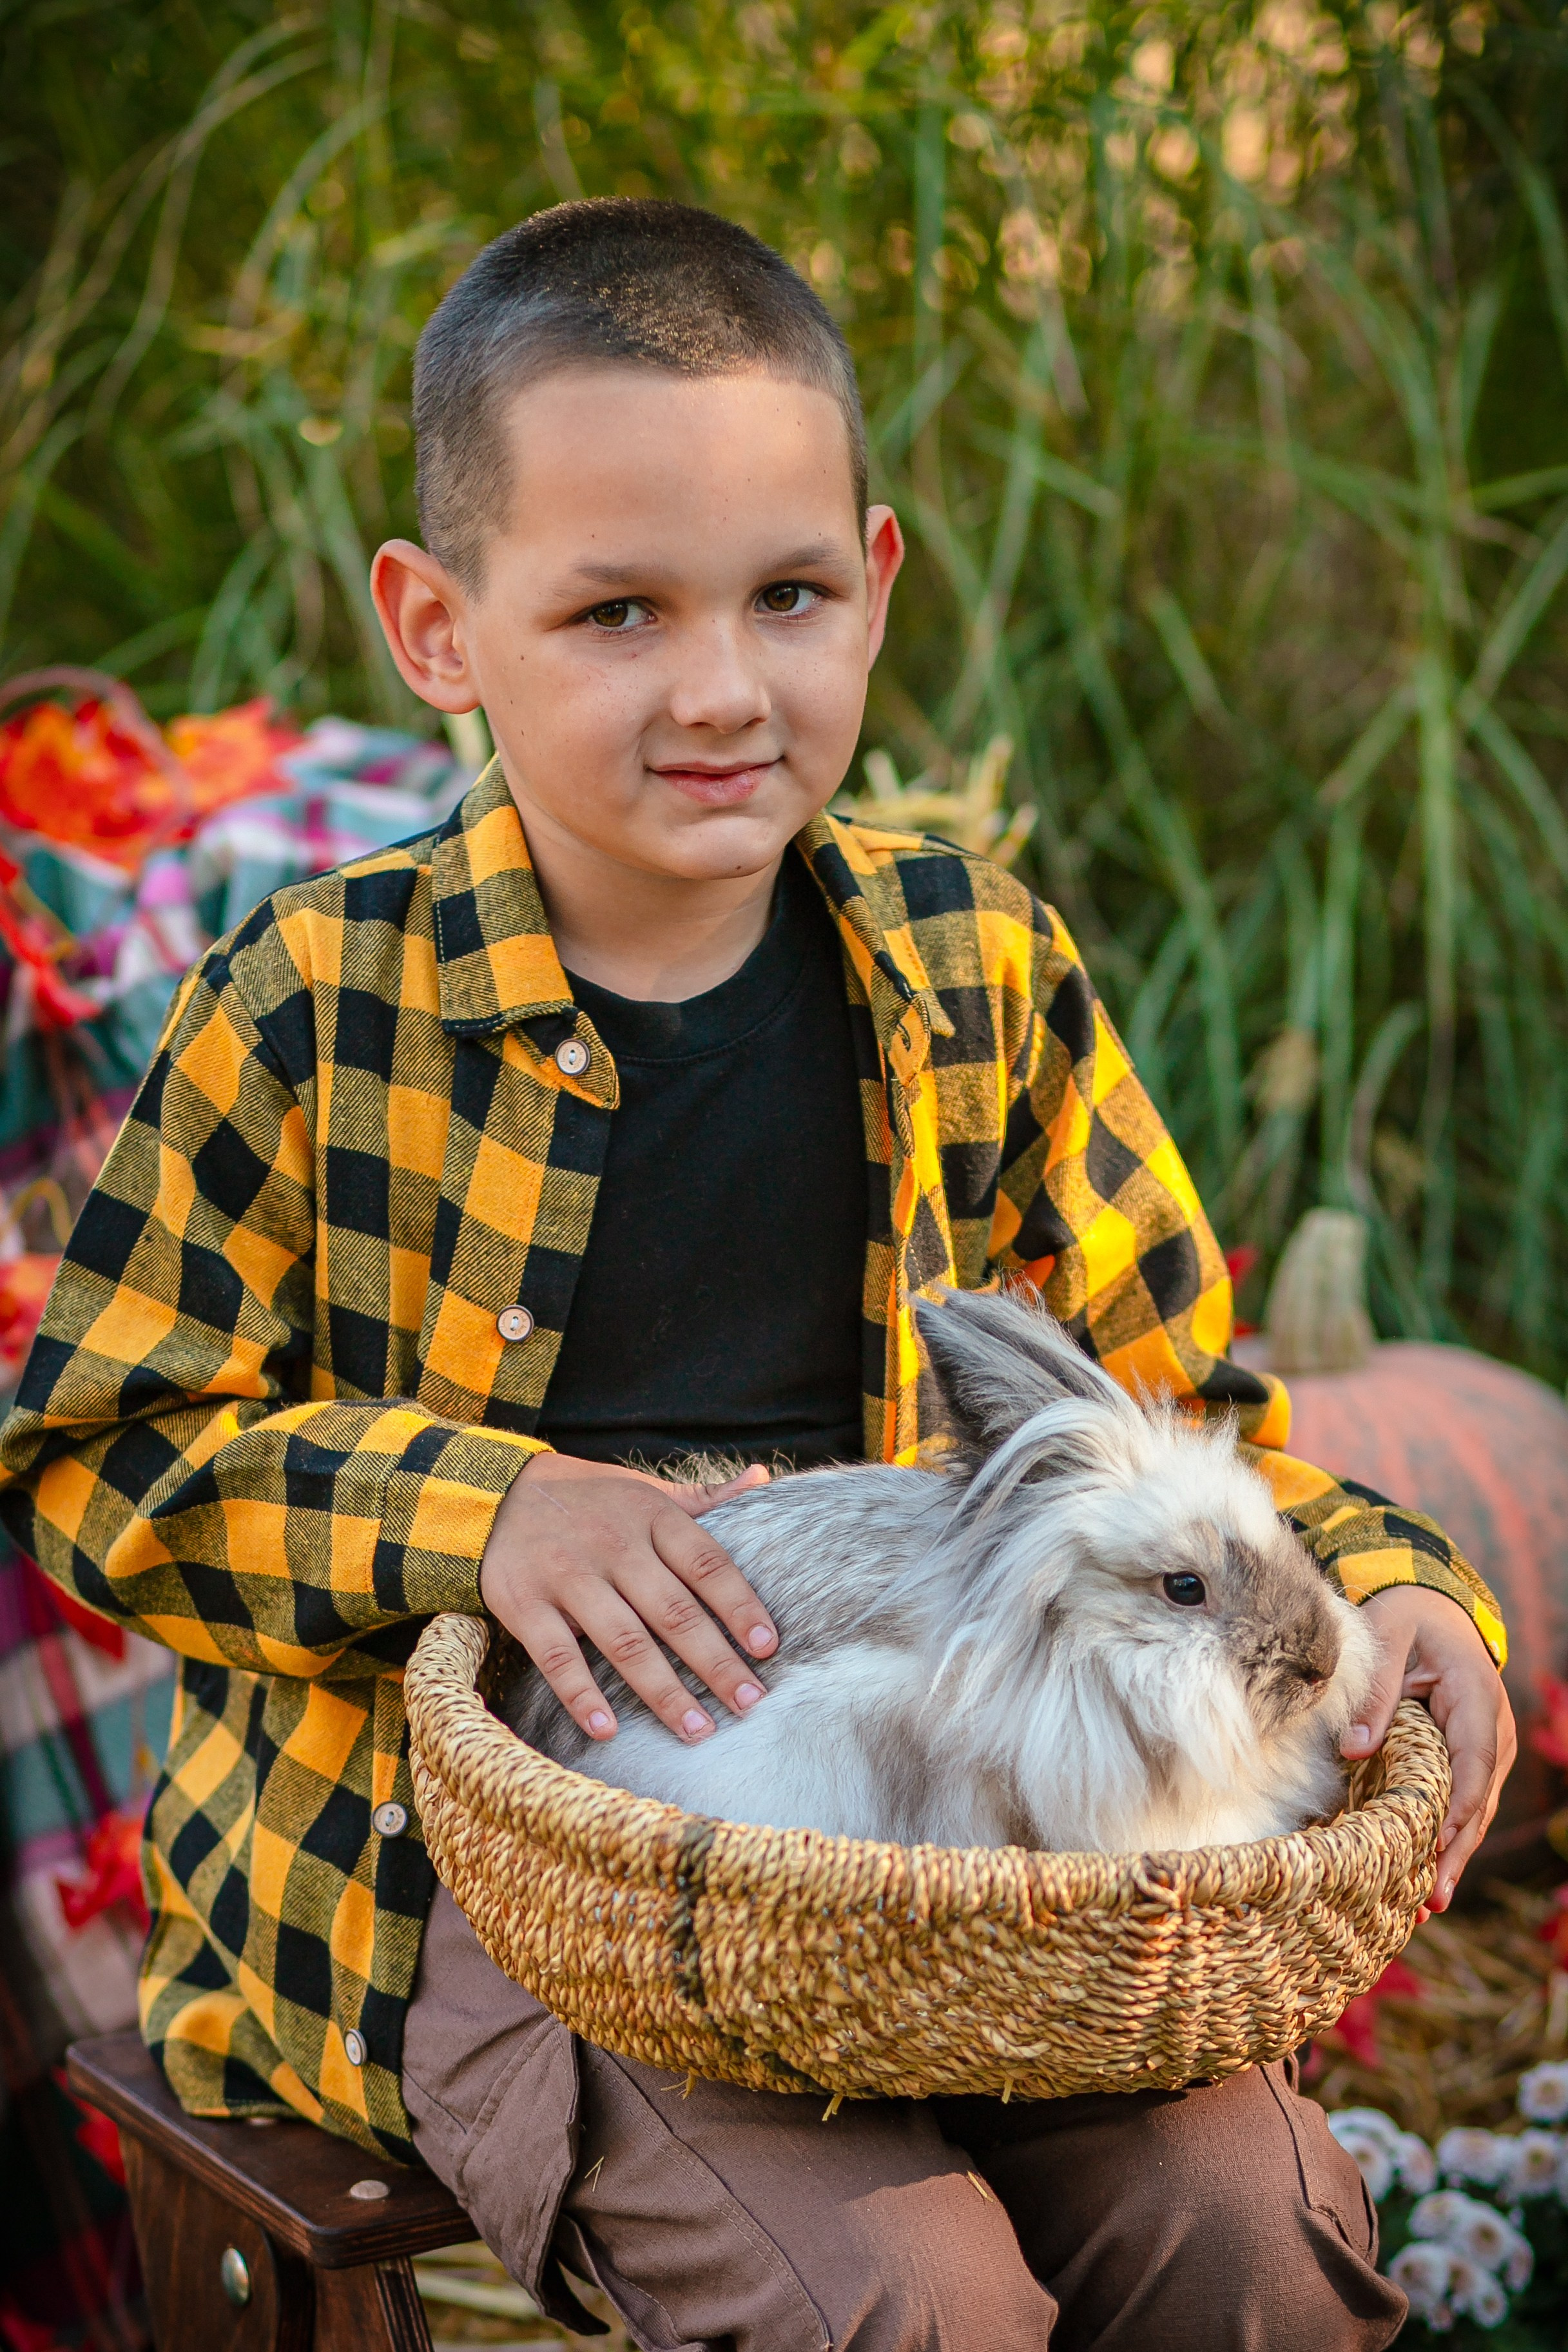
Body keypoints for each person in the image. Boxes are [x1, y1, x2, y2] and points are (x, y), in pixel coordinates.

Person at [0, 199, 1513, 2351]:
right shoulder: (315, 1008)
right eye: (615, 611)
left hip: (979, 1852)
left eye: (785, 595)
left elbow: (1199, 1421)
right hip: (503, 1882)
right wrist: (489, 1511)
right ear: (438, 628)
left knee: (1246, 2230)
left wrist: (1396, 1590)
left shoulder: (972, 968)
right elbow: (94, 1451)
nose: (721, 688)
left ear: (873, 587)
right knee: (903, 2296)